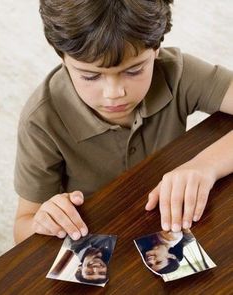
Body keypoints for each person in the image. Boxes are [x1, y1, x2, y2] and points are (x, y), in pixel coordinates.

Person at [13, 0, 233, 244]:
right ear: (63, 58)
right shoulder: (41, 121)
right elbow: (23, 226)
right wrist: (43, 221)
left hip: (171, 224)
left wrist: (205, 166)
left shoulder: (177, 73)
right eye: (90, 76)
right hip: (95, 240)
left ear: (157, 48)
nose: (114, 93)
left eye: (134, 70)